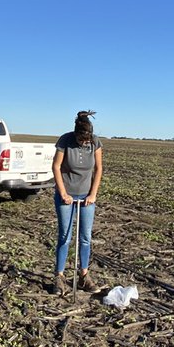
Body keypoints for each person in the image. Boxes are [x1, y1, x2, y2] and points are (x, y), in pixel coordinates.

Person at [51, 110, 103, 296]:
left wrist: (93, 194)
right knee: (65, 236)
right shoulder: (65, 141)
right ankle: (59, 276)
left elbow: (98, 169)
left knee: (85, 237)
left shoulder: (95, 142)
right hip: (67, 196)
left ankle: (84, 276)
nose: (85, 143)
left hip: (86, 197)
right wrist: (63, 193)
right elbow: (56, 166)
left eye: (87, 140)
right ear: (76, 134)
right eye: (82, 140)